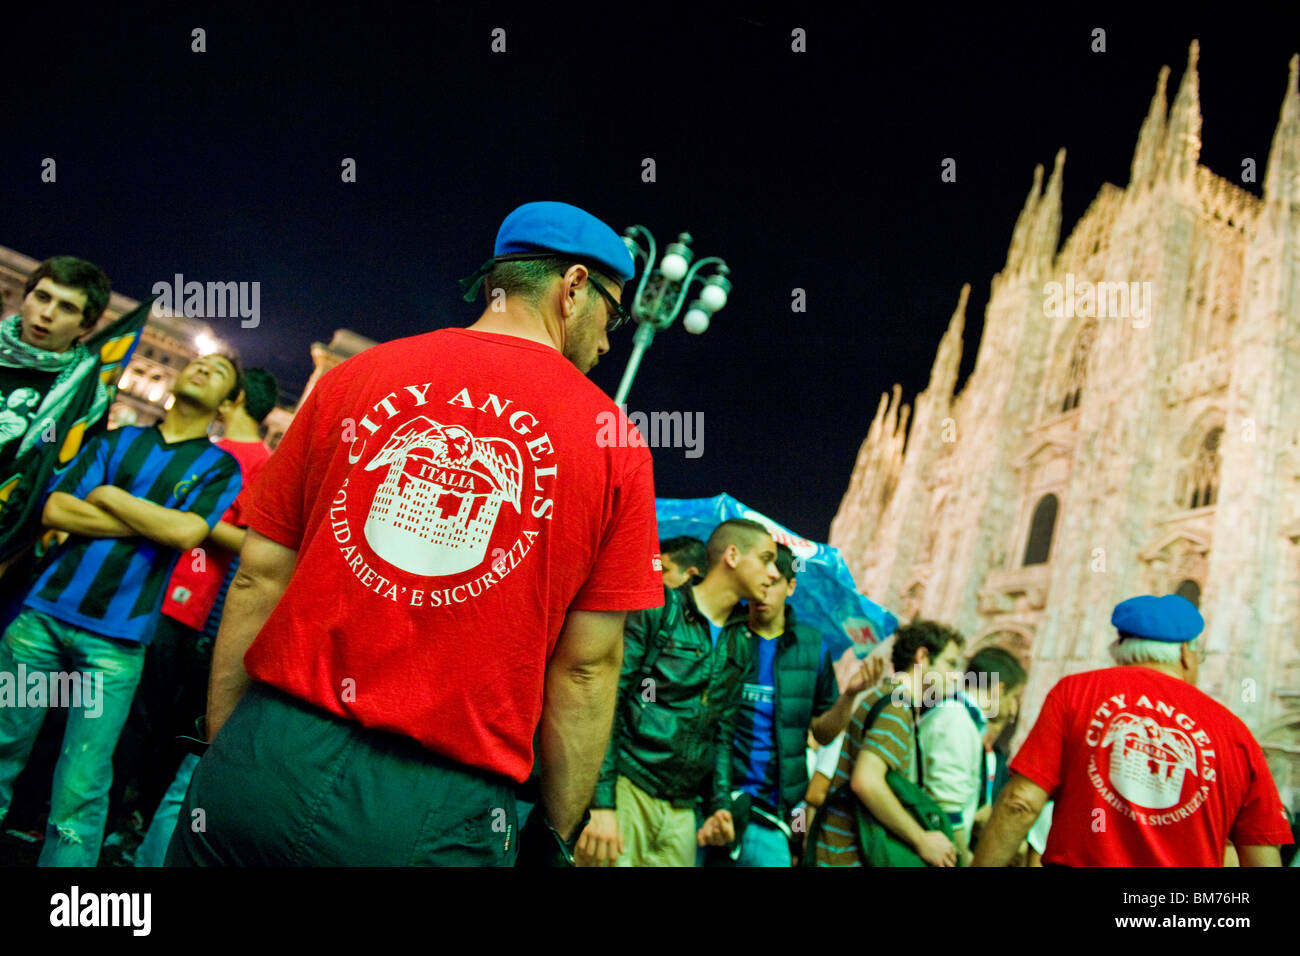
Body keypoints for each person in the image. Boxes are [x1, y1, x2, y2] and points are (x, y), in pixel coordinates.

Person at [166, 201, 663, 867]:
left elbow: (259, 574)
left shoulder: (354, 380)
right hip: (437, 812)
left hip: (267, 753)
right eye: (614, 311)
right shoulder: (614, 445)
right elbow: (587, 668)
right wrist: (555, 834)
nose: (609, 340)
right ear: (573, 288)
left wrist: (229, 744)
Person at [0, 353, 243, 866]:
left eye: (218, 373)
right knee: (1, 749)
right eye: (199, 364)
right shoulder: (115, 438)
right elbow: (55, 508)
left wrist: (109, 493)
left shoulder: (220, 467)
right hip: (42, 616)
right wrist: (156, 521)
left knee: (82, 784)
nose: (203, 370)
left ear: (226, 404)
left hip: (118, 638)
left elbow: (186, 534)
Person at [974, 594, 1294, 867]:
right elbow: (1262, 853)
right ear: (1186, 652)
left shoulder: (1075, 693)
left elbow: (1021, 802)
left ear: (1120, 647)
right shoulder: (1234, 733)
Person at [122, 368, 279, 866]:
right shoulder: (208, 450)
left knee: (152, 727)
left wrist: (191, 522)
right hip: (145, 596)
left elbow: (257, 549)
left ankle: (129, 825)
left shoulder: (257, 462)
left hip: (191, 617)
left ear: (230, 400)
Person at [575, 518, 779, 867]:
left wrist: (718, 807)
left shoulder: (740, 644)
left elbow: (723, 734)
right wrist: (602, 802)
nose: (773, 572)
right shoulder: (661, 610)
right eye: (766, 558)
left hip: (684, 811)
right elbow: (609, 701)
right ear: (732, 555)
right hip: (629, 788)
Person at [709, 543, 881, 866]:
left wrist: (850, 695)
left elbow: (824, 734)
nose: (763, 592)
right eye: (759, 580)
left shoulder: (811, 647)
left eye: (774, 582)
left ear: (790, 586)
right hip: (711, 803)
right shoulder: (723, 633)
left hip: (773, 815)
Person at [811, 619, 965, 867]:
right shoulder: (897, 706)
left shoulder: (882, 695)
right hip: (850, 854)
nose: (955, 676)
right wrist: (921, 839)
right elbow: (866, 781)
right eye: (950, 663)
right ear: (923, 657)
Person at [0, 257, 118, 579]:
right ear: (25, 297)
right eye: (42, 297)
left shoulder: (86, 400)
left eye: (67, 308)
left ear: (86, 326)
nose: (47, 313)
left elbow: (64, 481)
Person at [919, 646, 1026, 865]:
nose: (1011, 708)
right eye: (1013, 696)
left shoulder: (962, 719)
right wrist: (964, 858)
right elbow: (947, 807)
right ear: (999, 689)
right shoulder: (957, 722)